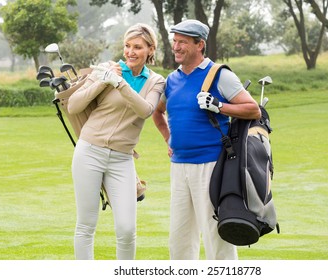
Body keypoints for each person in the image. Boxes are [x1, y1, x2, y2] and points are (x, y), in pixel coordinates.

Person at [152, 19, 261, 260]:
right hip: (179, 166)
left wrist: (219, 106)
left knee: (216, 234)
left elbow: (253, 110)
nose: (176, 47)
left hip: (212, 165)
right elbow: (157, 111)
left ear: (200, 44)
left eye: (183, 42)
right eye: (175, 41)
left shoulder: (219, 75)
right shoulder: (172, 80)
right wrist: (168, 139)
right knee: (179, 237)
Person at [67, 23, 165, 260]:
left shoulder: (156, 81)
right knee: (86, 225)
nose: (130, 52)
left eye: (138, 47)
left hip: (122, 159)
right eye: (127, 46)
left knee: (127, 229)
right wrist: (103, 80)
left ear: (150, 49)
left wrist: (120, 84)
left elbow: (145, 110)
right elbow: (73, 105)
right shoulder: (107, 69)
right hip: (89, 151)